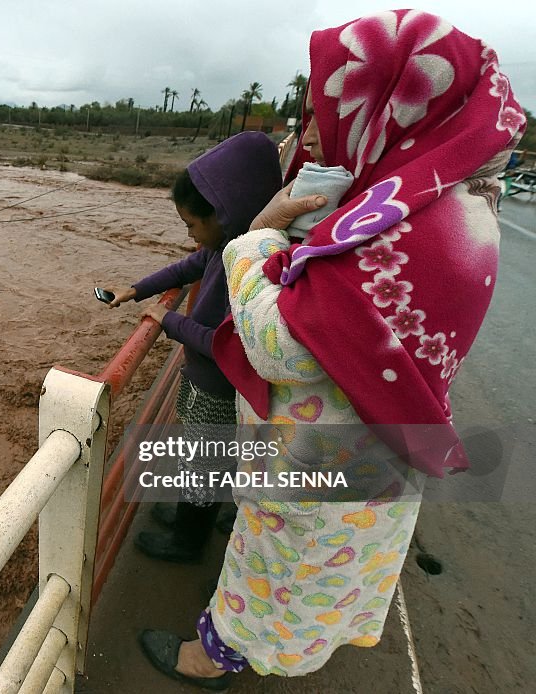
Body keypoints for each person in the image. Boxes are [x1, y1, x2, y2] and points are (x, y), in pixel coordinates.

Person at [138, 9, 525, 687]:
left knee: (277, 567)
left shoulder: (396, 229)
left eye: (325, 112)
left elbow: (279, 346)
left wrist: (257, 236)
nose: (310, 134)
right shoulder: (448, 204)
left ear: (387, 111)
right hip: (375, 448)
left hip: (316, 458)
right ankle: (249, 644)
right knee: (319, 572)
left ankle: (208, 659)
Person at [102, 131, 281, 563]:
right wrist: (136, 289)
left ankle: (186, 543)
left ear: (226, 212)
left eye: (193, 225)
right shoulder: (227, 245)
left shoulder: (253, 265)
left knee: (204, 463)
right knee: (204, 460)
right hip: (209, 384)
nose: (190, 236)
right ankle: (190, 515)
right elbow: (189, 264)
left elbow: (225, 343)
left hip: (218, 387)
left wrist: (169, 320)